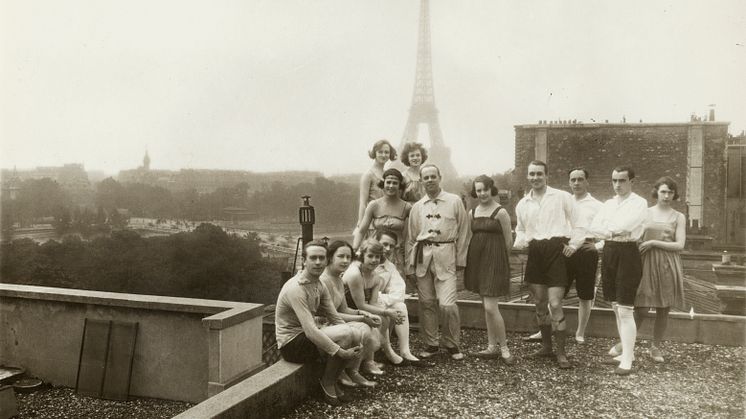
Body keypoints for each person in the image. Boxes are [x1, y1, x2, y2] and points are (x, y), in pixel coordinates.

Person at [275, 240, 364, 405]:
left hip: (308, 337)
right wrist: (341, 352)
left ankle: (333, 379)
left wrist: (357, 338)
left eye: (321, 258)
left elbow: (334, 316)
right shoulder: (296, 288)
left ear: (326, 260)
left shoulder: (319, 284)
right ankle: (327, 383)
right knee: (345, 335)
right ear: (304, 260)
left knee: (355, 332)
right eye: (313, 258)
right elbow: (310, 331)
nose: (318, 262)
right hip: (292, 344)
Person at [513, 160, 583, 369]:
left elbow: (579, 223)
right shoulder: (522, 203)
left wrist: (574, 244)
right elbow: (521, 230)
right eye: (532, 174)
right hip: (536, 252)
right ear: (528, 176)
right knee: (540, 304)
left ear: (546, 176)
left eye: (539, 174)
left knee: (555, 303)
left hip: (556, 252)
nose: (535, 178)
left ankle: (561, 353)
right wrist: (521, 242)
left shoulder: (561, 197)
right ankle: (546, 347)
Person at [524, 168, 604, 344]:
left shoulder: (597, 205)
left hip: (585, 250)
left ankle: (580, 332)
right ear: (569, 182)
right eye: (573, 180)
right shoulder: (560, 200)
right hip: (563, 250)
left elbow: (605, 232)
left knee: (585, 294)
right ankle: (548, 328)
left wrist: (596, 246)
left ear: (587, 181)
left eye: (580, 179)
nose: (576, 183)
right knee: (556, 295)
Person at [406, 163, 471, 360]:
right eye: (426, 177)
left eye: (433, 176)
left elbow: (464, 232)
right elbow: (411, 238)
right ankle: (431, 343)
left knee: (447, 304)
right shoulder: (417, 207)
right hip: (423, 258)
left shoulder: (454, 201)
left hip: (447, 256)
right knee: (426, 302)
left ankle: (452, 343)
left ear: (440, 177)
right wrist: (409, 266)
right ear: (421, 180)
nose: (430, 180)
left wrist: (460, 259)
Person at [590, 166, 648, 375]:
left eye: (622, 181)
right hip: (610, 252)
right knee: (615, 306)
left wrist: (609, 229)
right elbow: (594, 226)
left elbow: (627, 226)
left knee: (625, 309)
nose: (617, 185)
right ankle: (627, 354)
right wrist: (611, 230)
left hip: (628, 252)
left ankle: (628, 361)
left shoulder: (640, 203)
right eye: (614, 180)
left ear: (632, 181)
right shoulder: (608, 203)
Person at [632, 177, 686, 363]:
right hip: (645, 262)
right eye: (663, 191)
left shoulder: (679, 217)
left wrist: (654, 242)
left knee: (664, 308)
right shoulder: (644, 213)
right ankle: (626, 343)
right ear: (656, 192)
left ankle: (655, 347)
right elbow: (635, 236)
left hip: (667, 263)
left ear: (674, 194)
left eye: (670, 192)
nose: (666, 195)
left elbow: (680, 245)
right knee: (641, 308)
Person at [465, 175, 515, 365]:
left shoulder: (501, 212)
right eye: (478, 190)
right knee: (486, 306)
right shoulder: (473, 212)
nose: (482, 193)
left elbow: (508, 241)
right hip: (478, 261)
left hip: (495, 262)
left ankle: (504, 349)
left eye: (485, 189)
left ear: (491, 189)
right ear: (475, 192)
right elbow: (471, 237)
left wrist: (499, 261)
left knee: (490, 306)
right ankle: (491, 346)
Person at [319, 241, 382, 388]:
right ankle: (339, 371)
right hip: (322, 325)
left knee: (365, 327)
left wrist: (364, 314)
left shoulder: (338, 278)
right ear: (330, 257)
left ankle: (353, 370)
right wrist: (362, 317)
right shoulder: (324, 280)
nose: (346, 261)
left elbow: (344, 309)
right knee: (359, 328)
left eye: (348, 257)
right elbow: (331, 315)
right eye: (341, 256)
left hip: (333, 321)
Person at [343, 239, 406, 373]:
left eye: (377, 256)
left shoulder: (376, 277)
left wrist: (387, 313)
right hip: (345, 311)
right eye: (370, 256)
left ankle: (369, 360)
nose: (374, 260)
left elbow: (372, 303)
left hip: (360, 310)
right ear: (362, 255)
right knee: (375, 320)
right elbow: (360, 305)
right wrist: (387, 312)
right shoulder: (355, 273)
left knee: (383, 319)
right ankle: (360, 365)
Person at [374, 230, 420, 364]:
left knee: (400, 306)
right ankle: (385, 351)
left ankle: (405, 351)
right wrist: (379, 300)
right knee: (387, 307)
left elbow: (399, 292)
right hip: (359, 306)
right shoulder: (362, 261)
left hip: (378, 303)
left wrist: (381, 300)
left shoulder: (390, 266)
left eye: (391, 246)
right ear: (376, 242)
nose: (388, 249)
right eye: (384, 244)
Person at [353, 168, 411, 273]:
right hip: (376, 251)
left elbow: (412, 234)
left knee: (397, 281)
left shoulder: (407, 207)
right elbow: (362, 230)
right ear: (383, 184)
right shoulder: (374, 205)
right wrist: (354, 250)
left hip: (396, 253)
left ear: (399, 186)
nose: (391, 186)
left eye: (395, 183)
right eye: (388, 182)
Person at [355, 139, 398, 229]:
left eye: (386, 152)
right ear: (375, 153)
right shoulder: (368, 175)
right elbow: (363, 202)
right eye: (380, 152)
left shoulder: (388, 174)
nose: (383, 155)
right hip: (372, 220)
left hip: (387, 219)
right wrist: (361, 222)